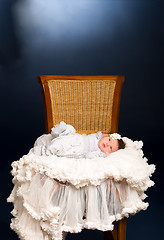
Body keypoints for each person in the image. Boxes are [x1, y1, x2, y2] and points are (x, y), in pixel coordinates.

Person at [32, 121, 125, 158]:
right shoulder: (97, 137)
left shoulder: (98, 151)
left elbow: (88, 157)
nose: (107, 144)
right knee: (70, 129)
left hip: (78, 148)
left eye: (110, 148)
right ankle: (57, 131)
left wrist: (104, 154)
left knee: (61, 145)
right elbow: (100, 134)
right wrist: (105, 135)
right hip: (77, 137)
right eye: (109, 140)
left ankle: (44, 151)